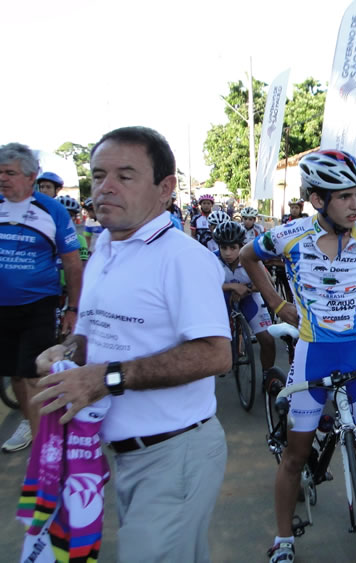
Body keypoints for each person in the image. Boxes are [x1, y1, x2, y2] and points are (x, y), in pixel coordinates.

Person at [32, 126, 231, 562]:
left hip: (174, 456)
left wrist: (105, 379)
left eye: (125, 176)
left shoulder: (183, 258)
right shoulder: (105, 247)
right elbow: (93, 334)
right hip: (119, 455)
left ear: (165, 188)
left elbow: (215, 354)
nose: (106, 187)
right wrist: (67, 352)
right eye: (98, 175)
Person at [240, 150, 356, 562]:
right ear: (318, 199)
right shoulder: (289, 235)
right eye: (345, 196)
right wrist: (278, 305)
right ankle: (283, 539)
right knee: (296, 457)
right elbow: (247, 256)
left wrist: (354, 311)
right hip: (311, 355)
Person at [0, 143, 83, 452]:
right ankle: (32, 425)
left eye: (10, 173)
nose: (2, 178)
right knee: (16, 375)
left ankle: (43, 445)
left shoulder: (52, 210)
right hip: (2, 307)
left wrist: (73, 308)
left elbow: (73, 264)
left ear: (30, 176)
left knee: (35, 374)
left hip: (38, 305)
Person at [213, 220, 275, 372]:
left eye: (233, 247)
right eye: (223, 248)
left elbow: (270, 283)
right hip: (223, 299)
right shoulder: (212, 259)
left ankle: (268, 376)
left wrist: (246, 289)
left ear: (241, 246)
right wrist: (232, 287)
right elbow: (202, 284)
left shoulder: (250, 259)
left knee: (268, 340)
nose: (228, 253)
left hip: (249, 297)